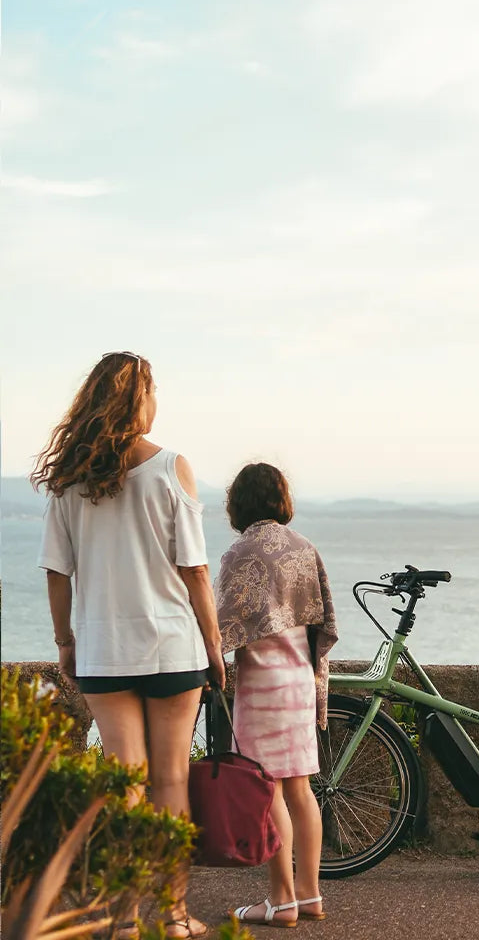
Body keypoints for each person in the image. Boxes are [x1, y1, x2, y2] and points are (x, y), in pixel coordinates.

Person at [34, 351, 225, 939]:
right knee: (170, 781)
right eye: (152, 390)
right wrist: (215, 650)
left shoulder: (69, 478)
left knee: (127, 783)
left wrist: (66, 643)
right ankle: (169, 915)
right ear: (136, 399)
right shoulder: (170, 466)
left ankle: (121, 918)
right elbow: (194, 570)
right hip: (171, 647)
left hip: (102, 651)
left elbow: (56, 572)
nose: (156, 401)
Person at [215, 463, 338, 927]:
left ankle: (280, 901)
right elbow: (323, 622)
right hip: (301, 682)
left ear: (238, 503)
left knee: (267, 794)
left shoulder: (239, 553)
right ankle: (310, 896)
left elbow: (221, 629)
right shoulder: (305, 549)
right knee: (301, 790)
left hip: (262, 685)